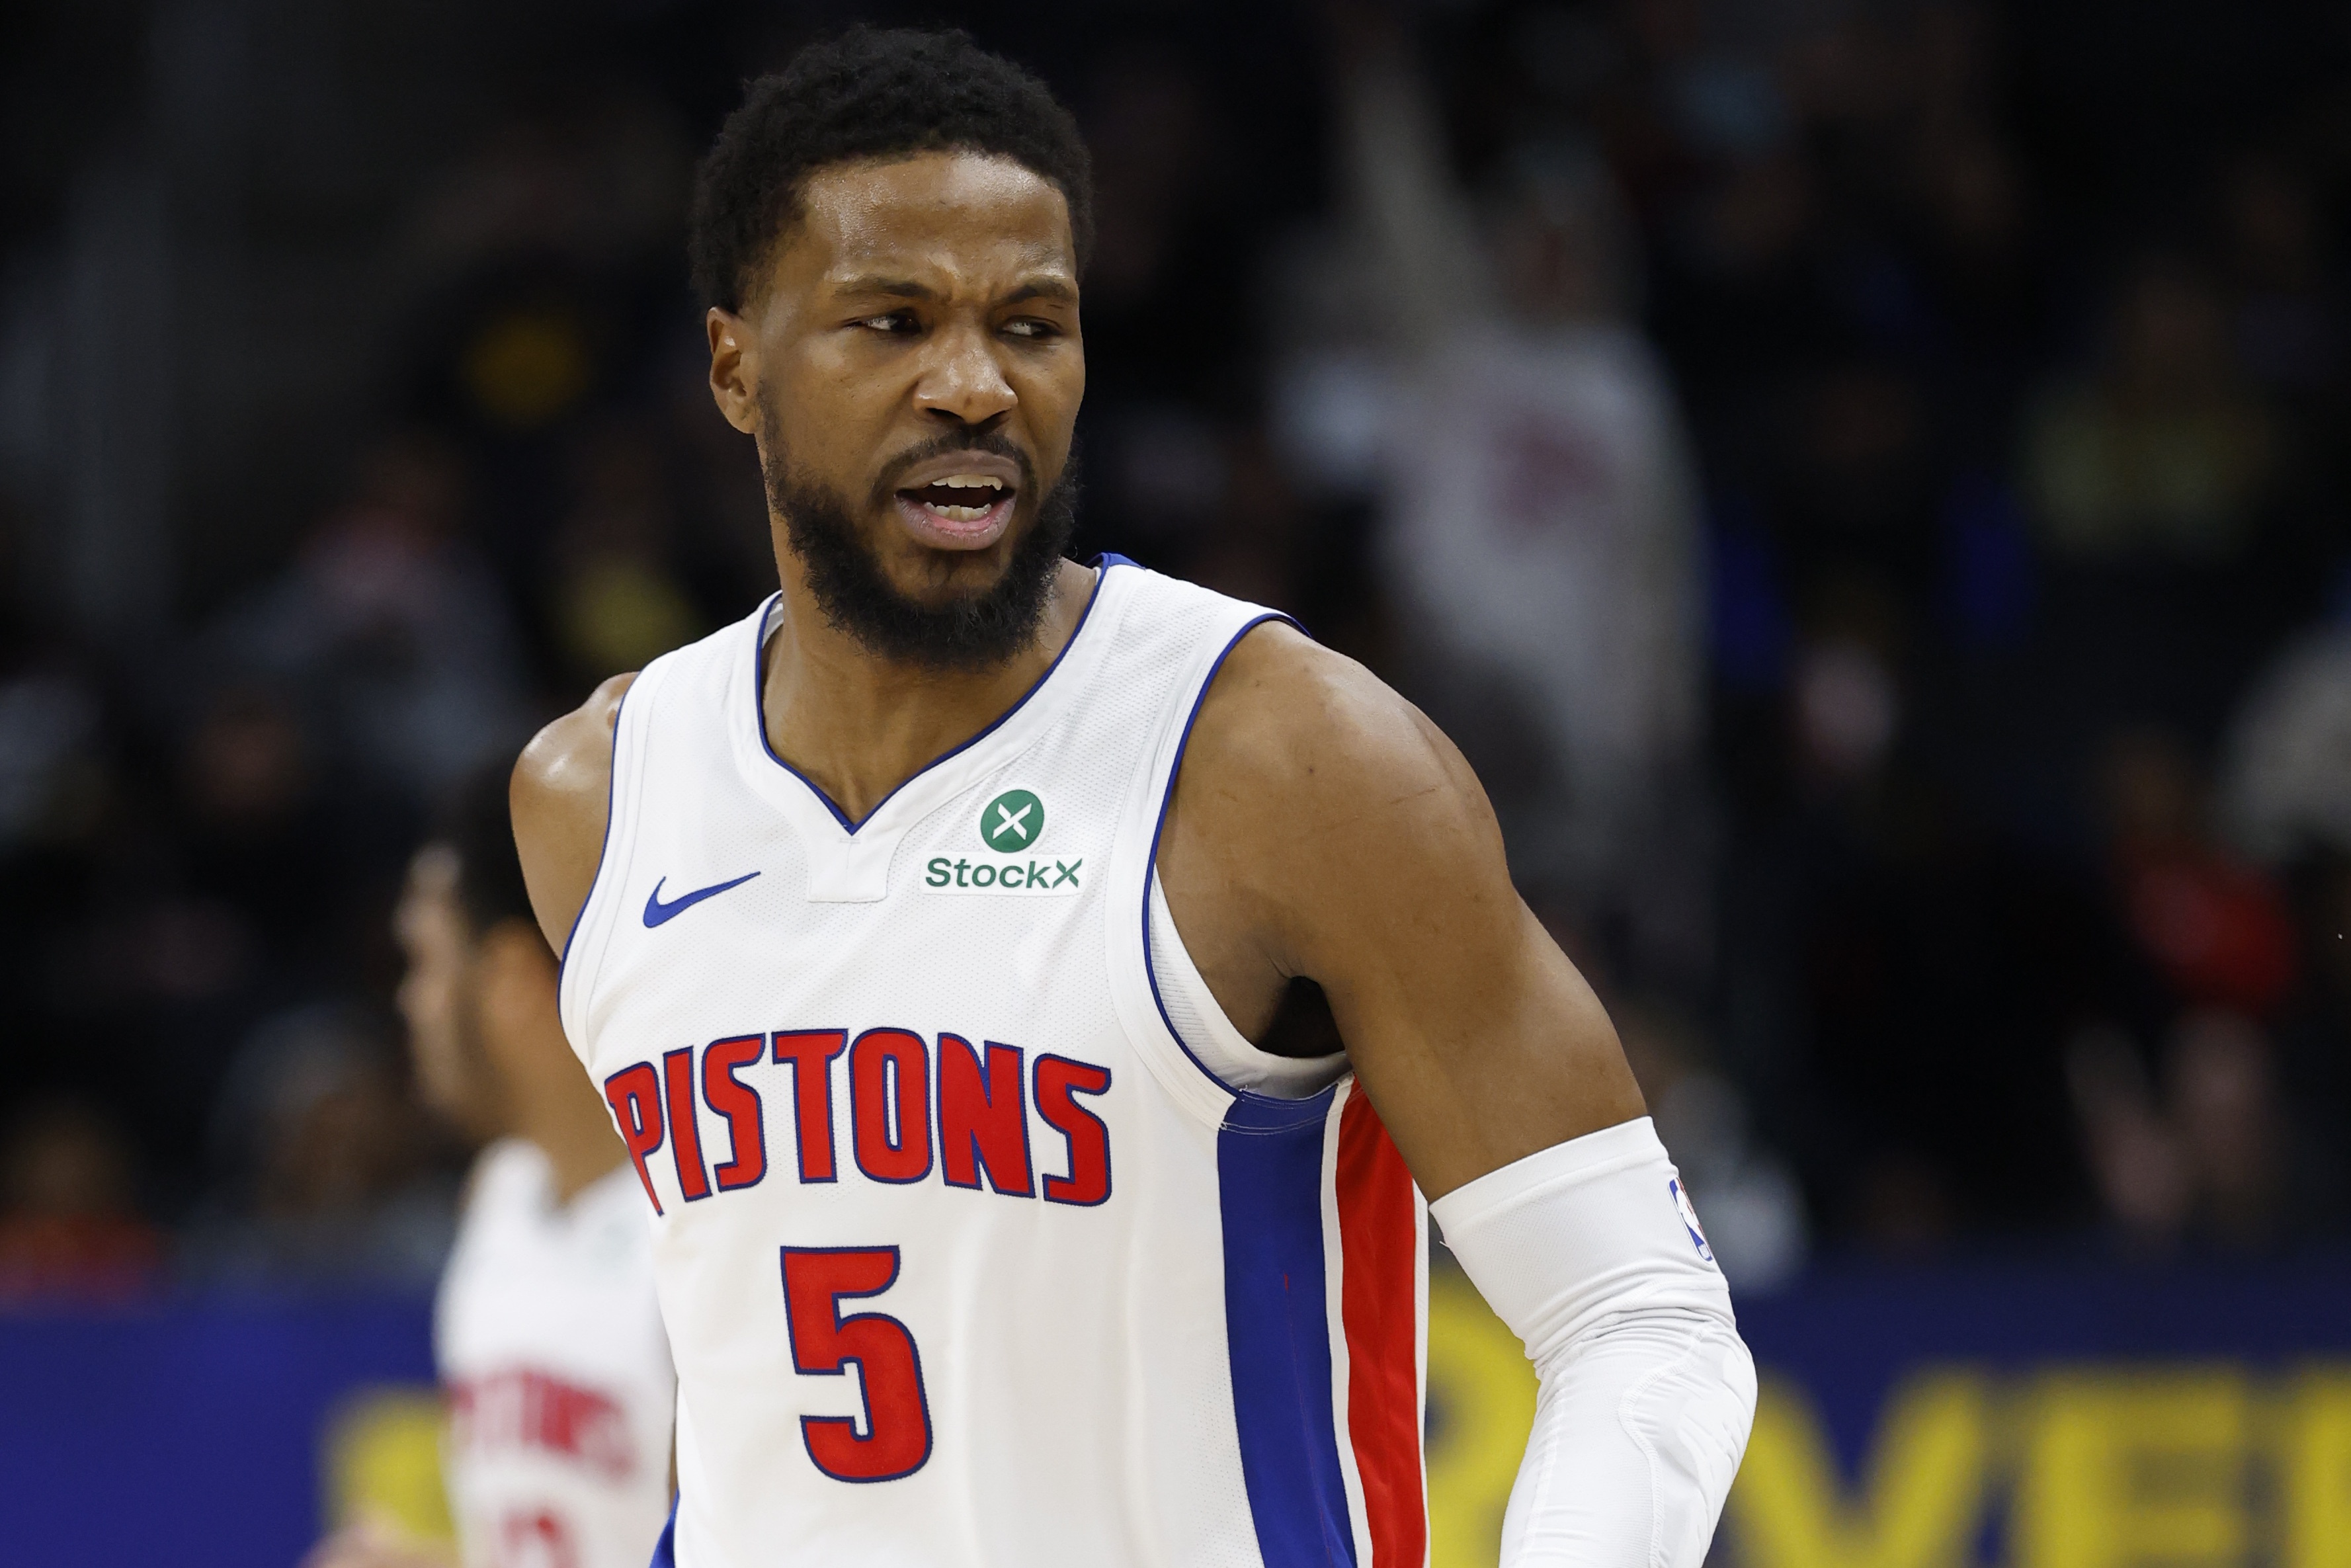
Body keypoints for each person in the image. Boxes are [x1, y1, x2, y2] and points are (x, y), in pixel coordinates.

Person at [512, 27, 1753, 1568]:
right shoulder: (596, 798)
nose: (973, 384)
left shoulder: (1284, 760)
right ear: (734, 368)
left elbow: (1638, 1316)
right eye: (892, 321)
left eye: (1029, 324)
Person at [308, 770, 673, 1568]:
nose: (410, 1003)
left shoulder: (692, 1224)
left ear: (508, 977)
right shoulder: (499, 1195)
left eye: (425, 962)